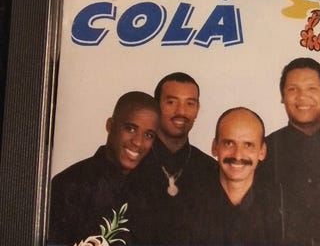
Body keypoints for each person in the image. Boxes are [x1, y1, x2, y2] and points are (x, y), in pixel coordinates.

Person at [257, 57, 320, 245]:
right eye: (293, 89)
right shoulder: (264, 151)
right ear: (282, 96)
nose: (302, 97)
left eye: (311, 89)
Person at [48, 91, 160, 245]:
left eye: (148, 135)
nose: (138, 142)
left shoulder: (152, 190)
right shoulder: (68, 185)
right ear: (110, 126)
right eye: (131, 129)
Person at [132, 72, 217, 244]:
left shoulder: (212, 170)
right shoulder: (131, 162)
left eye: (190, 103)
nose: (181, 112)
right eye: (171, 102)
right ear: (156, 107)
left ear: (197, 109)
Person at [189, 107, 282, 245]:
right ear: (215, 147)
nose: (238, 155)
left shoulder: (280, 208)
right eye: (229, 143)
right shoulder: (189, 205)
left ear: (262, 152)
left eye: (248, 145)